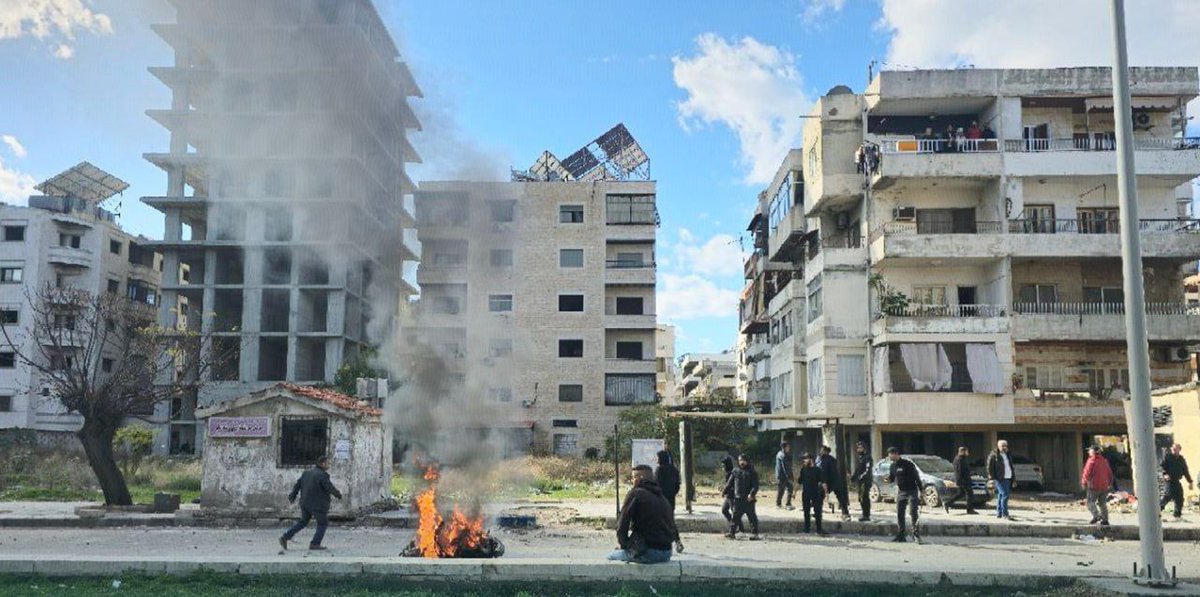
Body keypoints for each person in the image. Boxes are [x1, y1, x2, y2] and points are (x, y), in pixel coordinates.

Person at [609, 464, 683, 563]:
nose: (632, 481)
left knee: (611, 555)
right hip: (666, 553)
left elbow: (622, 525)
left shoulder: (635, 494)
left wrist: (625, 546)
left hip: (647, 552)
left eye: (633, 477)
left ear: (640, 478)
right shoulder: (663, 498)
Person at [280, 456, 342, 551]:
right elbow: (329, 487)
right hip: (317, 504)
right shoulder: (322, 475)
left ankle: (285, 537)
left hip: (305, 503)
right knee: (323, 523)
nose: (329, 465)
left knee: (303, 522)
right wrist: (338, 495)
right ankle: (315, 544)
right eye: (327, 463)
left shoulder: (306, 473)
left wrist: (292, 496)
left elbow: (297, 485)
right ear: (322, 464)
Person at [884, 447, 921, 543]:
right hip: (901, 492)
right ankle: (901, 535)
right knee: (900, 513)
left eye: (891, 454)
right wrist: (887, 480)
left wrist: (921, 489)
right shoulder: (892, 466)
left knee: (913, 512)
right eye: (889, 454)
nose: (890, 456)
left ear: (896, 454)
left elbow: (916, 476)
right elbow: (892, 478)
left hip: (912, 490)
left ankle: (916, 535)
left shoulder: (907, 464)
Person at [724, 453, 760, 540]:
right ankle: (732, 533)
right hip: (738, 499)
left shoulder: (752, 472)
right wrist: (724, 491)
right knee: (735, 517)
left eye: (743, 460)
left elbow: (755, 486)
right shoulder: (735, 471)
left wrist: (752, 494)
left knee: (752, 517)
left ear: (747, 461)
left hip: (748, 499)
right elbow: (729, 483)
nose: (742, 462)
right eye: (740, 460)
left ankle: (754, 534)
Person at [1081, 445, 1114, 526]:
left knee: (1090, 502)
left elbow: (1086, 473)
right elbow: (1110, 473)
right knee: (1102, 503)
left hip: (1094, 486)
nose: (1088, 452)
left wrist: (1084, 482)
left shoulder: (1091, 461)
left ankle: (1097, 515)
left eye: (1089, 450)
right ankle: (1105, 520)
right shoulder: (1104, 461)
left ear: (1093, 452)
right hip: (1104, 486)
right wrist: (1109, 483)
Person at [1160, 443, 1194, 519]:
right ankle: (1157, 511)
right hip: (1169, 480)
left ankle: (1177, 515)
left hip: (1176, 480)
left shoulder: (1181, 459)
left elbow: (1185, 471)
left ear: (1179, 449)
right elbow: (1162, 466)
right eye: (1173, 448)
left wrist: (1190, 482)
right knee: (1168, 495)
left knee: (1179, 497)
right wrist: (1165, 474)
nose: (1173, 449)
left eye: (1175, 448)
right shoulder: (1167, 457)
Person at [816, 445, 850, 520]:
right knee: (841, 497)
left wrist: (823, 482)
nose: (820, 452)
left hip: (829, 481)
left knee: (820, 496)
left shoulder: (824, 460)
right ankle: (845, 513)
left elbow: (823, 472)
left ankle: (818, 513)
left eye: (821, 450)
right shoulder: (832, 459)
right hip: (836, 480)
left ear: (825, 451)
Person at [797, 454, 827, 535]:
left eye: (806, 459)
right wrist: (794, 492)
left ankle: (819, 529)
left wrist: (827, 494)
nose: (804, 460)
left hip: (815, 493)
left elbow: (823, 482)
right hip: (806, 493)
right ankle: (807, 529)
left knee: (817, 512)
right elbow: (799, 482)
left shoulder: (817, 470)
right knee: (806, 512)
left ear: (811, 459)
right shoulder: (803, 470)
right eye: (804, 459)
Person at [943, 447, 978, 514]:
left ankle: (947, 503)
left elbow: (965, 470)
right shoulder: (958, 460)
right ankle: (969, 509)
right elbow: (958, 471)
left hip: (966, 479)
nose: (967, 453)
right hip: (963, 480)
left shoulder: (963, 459)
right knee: (969, 493)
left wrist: (970, 473)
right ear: (962, 452)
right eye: (966, 451)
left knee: (961, 494)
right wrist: (959, 481)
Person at [987, 439, 1016, 520]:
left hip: (1008, 477)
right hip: (999, 478)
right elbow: (989, 468)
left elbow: (1011, 467)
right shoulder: (994, 455)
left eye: (1005, 446)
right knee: (1005, 495)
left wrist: (1013, 479)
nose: (1004, 447)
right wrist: (992, 478)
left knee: (1001, 495)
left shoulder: (1008, 455)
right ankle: (1005, 514)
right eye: (1002, 446)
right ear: (998, 446)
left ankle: (999, 513)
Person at [851, 441, 874, 521]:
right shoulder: (860, 457)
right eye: (858, 448)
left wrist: (861, 477)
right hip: (860, 481)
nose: (858, 449)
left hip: (865, 481)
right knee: (861, 498)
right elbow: (858, 469)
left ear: (864, 448)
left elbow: (867, 469)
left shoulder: (867, 457)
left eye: (860, 447)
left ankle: (866, 515)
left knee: (864, 497)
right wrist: (853, 478)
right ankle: (864, 514)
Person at [719, 455, 741, 531]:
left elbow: (730, 485)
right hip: (728, 495)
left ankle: (739, 528)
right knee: (724, 510)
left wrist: (724, 491)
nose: (722, 467)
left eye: (723, 465)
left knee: (734, 513)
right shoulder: (728, 473)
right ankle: (733, 525)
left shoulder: (731, 473)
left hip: (732, 495)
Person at [775, 442, 794, 510]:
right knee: (781, 490)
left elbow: (789, 467)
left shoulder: (786, 454)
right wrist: (789, 477)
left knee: (790, 488)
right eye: (788, 447)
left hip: (786, 475)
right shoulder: (781, 455)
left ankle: (788, 504)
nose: (789, 448)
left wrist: (791, 475)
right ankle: (778, 504)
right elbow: (785, 467)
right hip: (781, 476)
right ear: (784, 447)